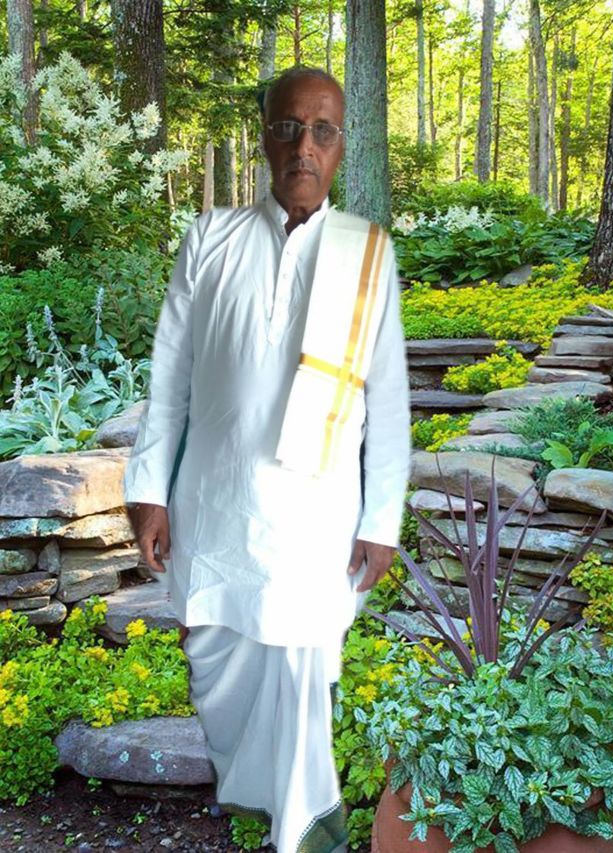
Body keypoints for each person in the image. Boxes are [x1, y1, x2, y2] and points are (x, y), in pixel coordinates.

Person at [123, 65, 411, 853]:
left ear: (341, 145)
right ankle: (262, 804)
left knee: (300, 673)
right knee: (217, 669)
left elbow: (388, 401)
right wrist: (148, 489)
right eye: (287, 127)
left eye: (321, 131)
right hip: (215, 505)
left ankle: (305, 830)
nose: (302, 147)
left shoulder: (366, 253)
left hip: (317, 515)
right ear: (264, 137)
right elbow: (170, 377)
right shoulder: (209, 238)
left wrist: (382, 518)